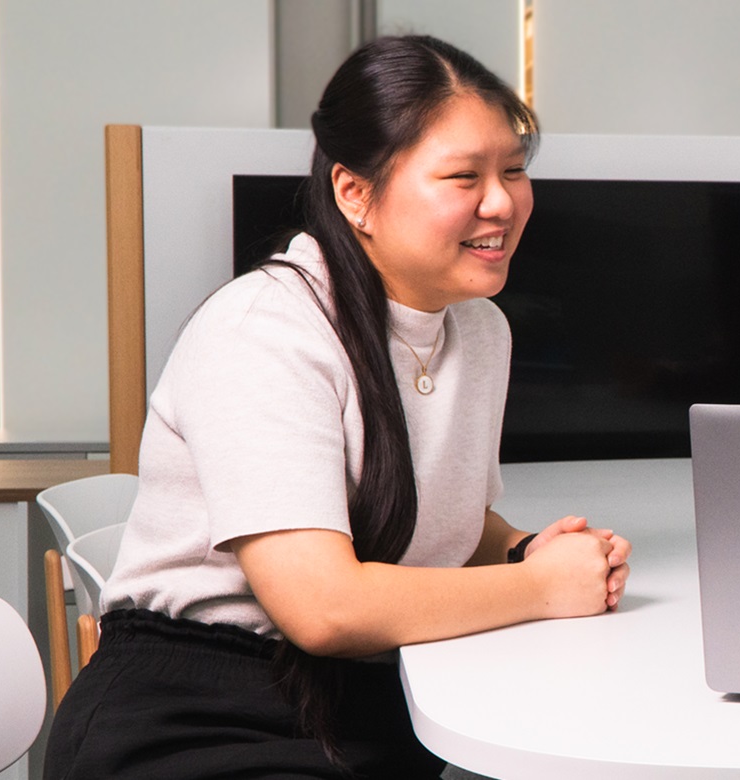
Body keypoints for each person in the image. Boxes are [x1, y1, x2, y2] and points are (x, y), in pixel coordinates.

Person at [47, 36, 631, 779]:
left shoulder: (479, 327)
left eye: (514, 170)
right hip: (198, 717)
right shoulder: (265, 328)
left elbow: (428, 517)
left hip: (368, 712)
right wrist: (540, 588)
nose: (502, 202)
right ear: (355, 193)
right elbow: (322, 607)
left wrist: (524, 547)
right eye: (463, 176)